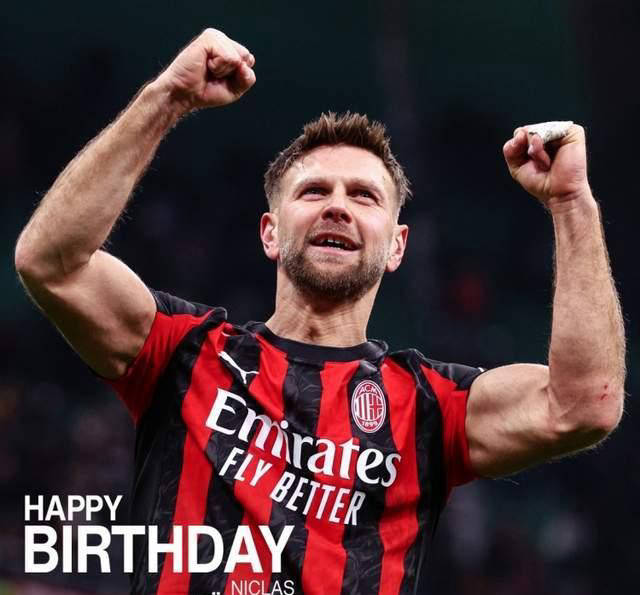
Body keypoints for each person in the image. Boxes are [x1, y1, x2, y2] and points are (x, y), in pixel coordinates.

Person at [14, 28, 625, 595]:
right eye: (313, 192)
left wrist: (572, 202)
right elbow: (51, 263)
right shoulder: (185, 352)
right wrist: (167, 96)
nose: (337, 207)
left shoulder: (430, 408)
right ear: (270, 233)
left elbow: (583, 405)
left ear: (397, 247)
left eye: (364, 196)